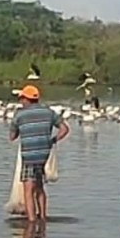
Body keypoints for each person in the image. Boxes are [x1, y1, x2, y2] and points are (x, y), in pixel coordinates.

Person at [9, 85, 70, 222]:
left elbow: (12, 137)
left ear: (26, 99)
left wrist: (19, 129)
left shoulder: (20, 114)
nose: (20, 101)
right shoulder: (48, 112)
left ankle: (31, 221)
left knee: (28, 190)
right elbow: (65, 129)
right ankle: (43, 216)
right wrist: (53, 140)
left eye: (21, 98)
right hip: (44, 154)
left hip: (29, 155)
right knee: (40, 187)